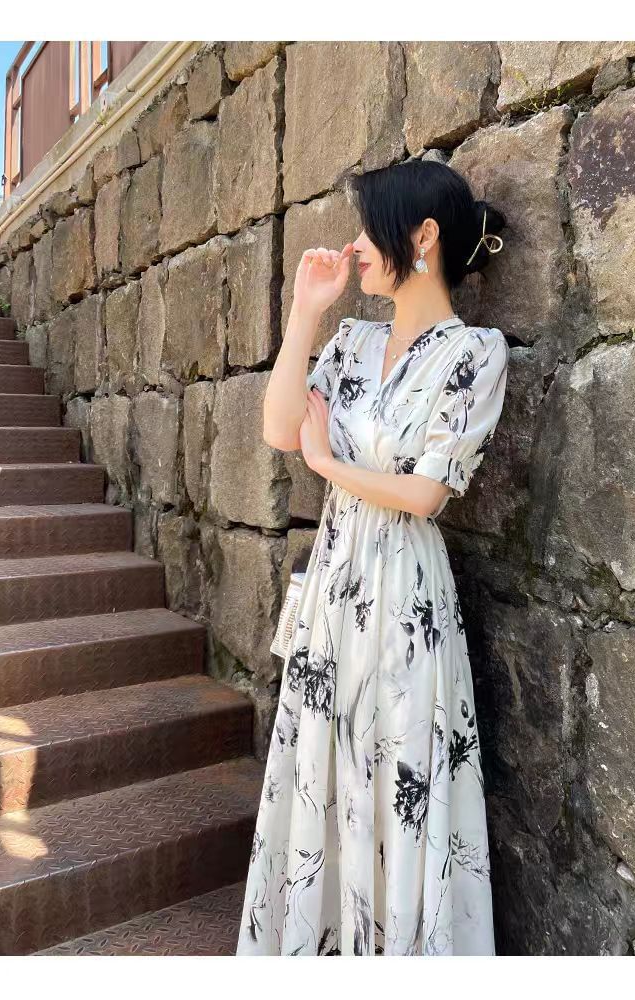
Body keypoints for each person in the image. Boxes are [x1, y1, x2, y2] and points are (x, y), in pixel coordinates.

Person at [236, 158, 509, 956]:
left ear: (421, 238)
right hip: (335, 586)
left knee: (398, 774)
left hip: (405, 597)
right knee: (326, 770)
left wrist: (327, 466)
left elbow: (425, 494)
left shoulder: (475, 353)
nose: (355, 246)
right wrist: (304, 313)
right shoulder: (352, 341)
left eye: (369, 229)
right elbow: (279, 429)